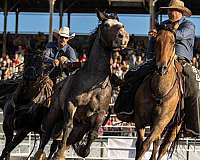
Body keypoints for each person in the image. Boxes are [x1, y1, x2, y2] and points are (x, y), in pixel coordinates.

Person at [115, 0, 200, 135]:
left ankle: (192, 126)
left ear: (181, 12)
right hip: (159, 59)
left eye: (174, 10)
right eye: (169, 10)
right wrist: (149, 56)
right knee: (131, 74)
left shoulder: (188, 25)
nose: (171, 13)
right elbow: (151, 46)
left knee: (195, 87)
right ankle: (126, 109)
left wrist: (162, 32)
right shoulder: (163, 25)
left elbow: (181, 35)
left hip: (182, 61)